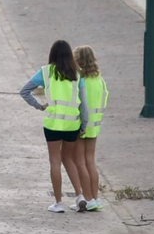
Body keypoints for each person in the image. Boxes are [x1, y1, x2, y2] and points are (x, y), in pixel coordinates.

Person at [20, 38, 89, 213]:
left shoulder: (46, 72)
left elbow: (24, 91)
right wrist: (84, 124)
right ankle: (80, 195)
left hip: (53, 123)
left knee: (55, 161)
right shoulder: (77, 74)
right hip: (72, 124)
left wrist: (39, 105)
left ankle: (58, 203)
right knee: (69, 159)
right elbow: (84, 103)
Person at [75, 45, 108, 211]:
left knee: (80, 162)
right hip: (95, 126)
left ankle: (87, 199)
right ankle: (95, 198)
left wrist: (80, 124)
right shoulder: (99, 80)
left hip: (82, 125)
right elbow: (105, 100)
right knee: (90, 161)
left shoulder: (81, 81)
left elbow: (80, 104)